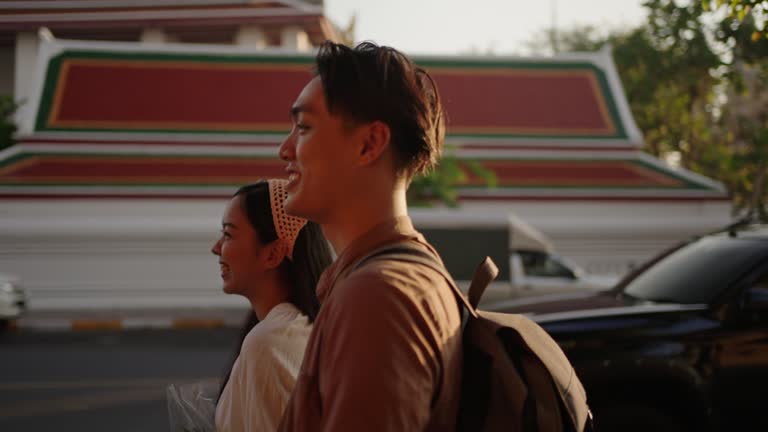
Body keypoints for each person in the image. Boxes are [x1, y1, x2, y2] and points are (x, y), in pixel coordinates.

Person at [277, 41, 462, 431]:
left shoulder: (377, 296)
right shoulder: (399, 274)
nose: (285, 149)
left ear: (369, 144)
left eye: (305, 127)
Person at [211, 179, 333, 432]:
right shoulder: (300, 327)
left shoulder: (271, 341)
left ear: (273, 253)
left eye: (228, 234)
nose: (216, 248)